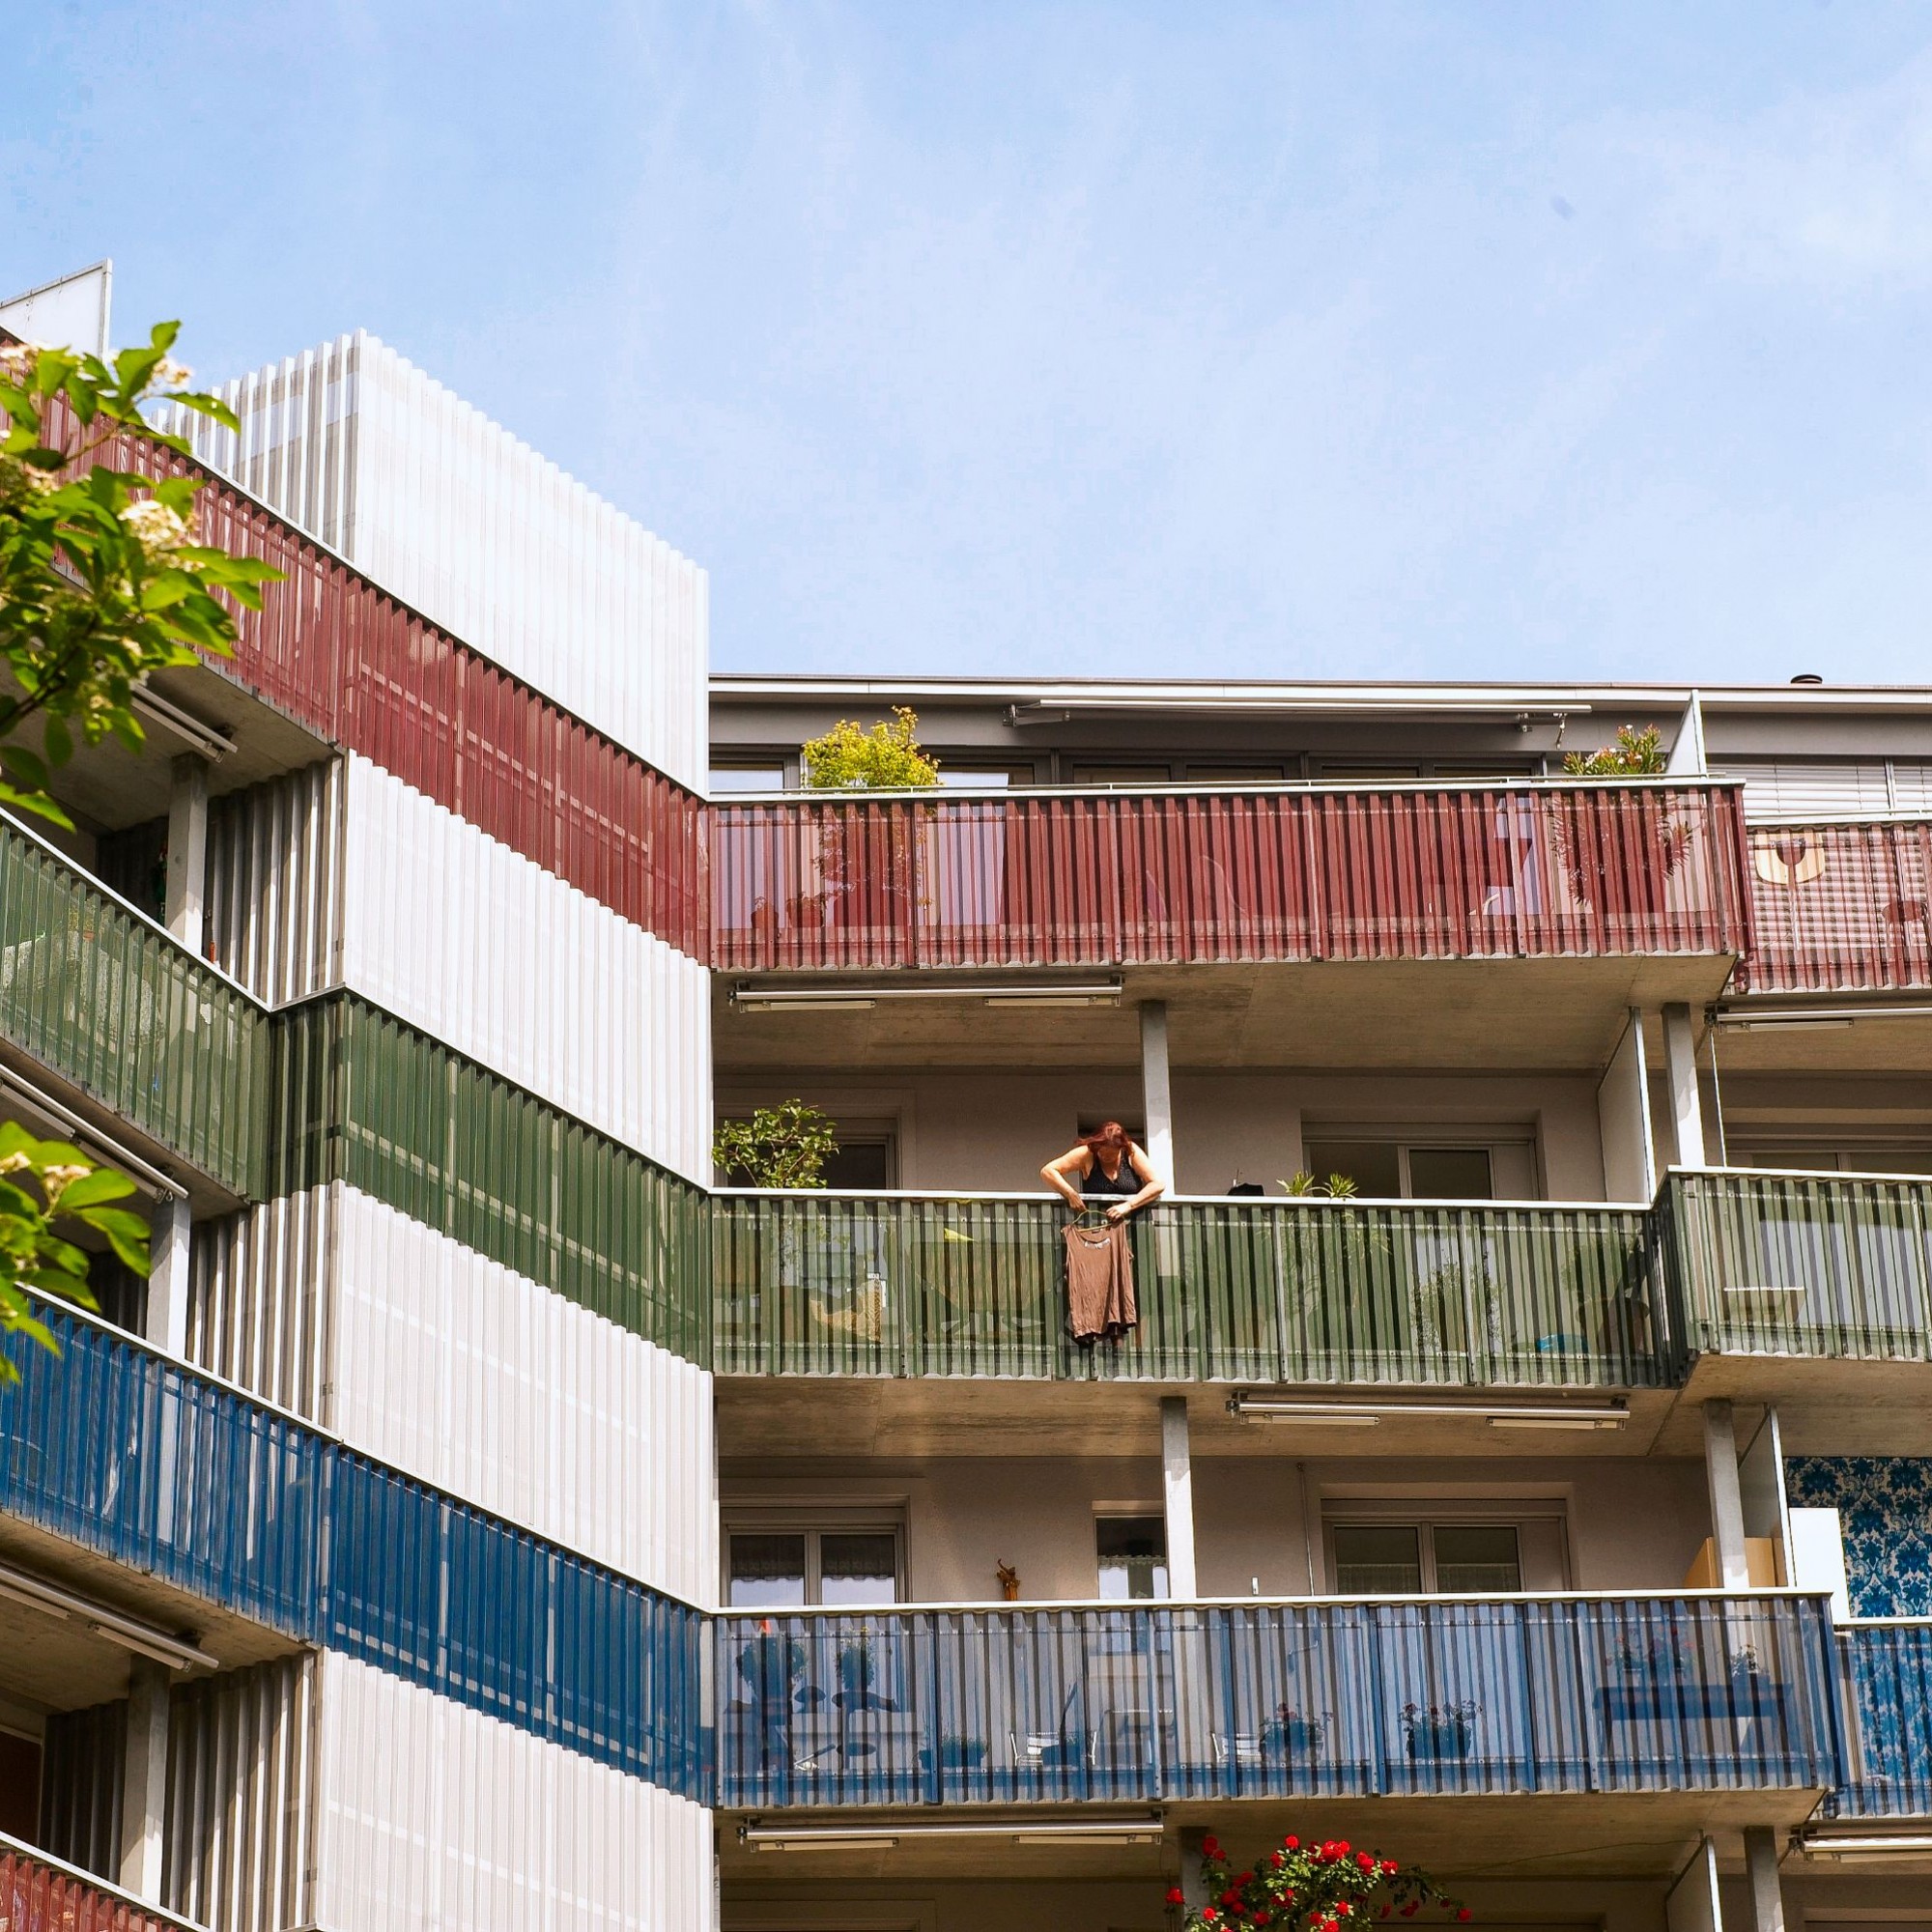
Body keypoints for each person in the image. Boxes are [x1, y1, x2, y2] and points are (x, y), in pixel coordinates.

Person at [1040, 1121, 1165, 1222]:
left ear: (1121, 1148)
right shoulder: (1087, 1153)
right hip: (1097, 1227)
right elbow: (1048, 1171)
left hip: (1135, 1226)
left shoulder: (1130, 1152)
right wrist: (1070, 1194)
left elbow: (1157, 1184)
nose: (1105, 1157)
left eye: (1111, 1155)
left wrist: (1128, 1205)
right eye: (1101, 1152)